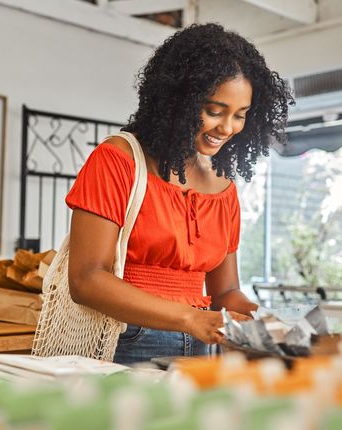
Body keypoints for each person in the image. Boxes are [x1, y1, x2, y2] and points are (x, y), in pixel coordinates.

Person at [65, 23, 292, 364]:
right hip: (122, 342)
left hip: (201, 349)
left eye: (240, 116)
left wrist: (261, 319)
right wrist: (189, 318)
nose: (227, 128)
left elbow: (225, 292)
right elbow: (85, 279)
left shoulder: (223, 186)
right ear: (179, 102)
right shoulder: (118, 160)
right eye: (214, 111)